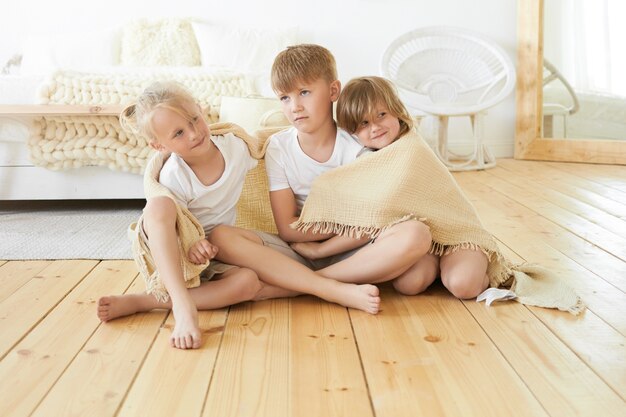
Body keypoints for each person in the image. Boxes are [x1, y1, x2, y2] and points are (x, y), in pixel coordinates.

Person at [210, 45, 432, 298]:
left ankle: (302, 285)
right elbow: (287, 229)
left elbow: (376, 218)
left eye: (304, 92)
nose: (295, 106)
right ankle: (324, 284)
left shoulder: (359, 144)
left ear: (333, 91)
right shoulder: (278, 148)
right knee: (220, 237)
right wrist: (335, 232)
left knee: (416, 235)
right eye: (284, 97)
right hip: (298, 251)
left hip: (355, 250)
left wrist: (331, 242)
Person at [97, 82, 293, 350]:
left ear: (201, 110)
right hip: (173, 251)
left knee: (247, 282)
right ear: (159, 146)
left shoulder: (235, 147)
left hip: (215, 250)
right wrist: (191, 243)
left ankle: (149, 301)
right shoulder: (175, 174)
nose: (193, 134)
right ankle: (181, 304)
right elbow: (173, 225)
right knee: (159, 206)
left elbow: (268, 143)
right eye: (178, 133)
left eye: (193, 120)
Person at [294, 76, 490, 299]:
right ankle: (438, 266)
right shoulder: (368, 160)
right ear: (352, 132)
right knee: (409, 284)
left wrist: (321, 250)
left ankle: (481, 270)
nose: (375, 127)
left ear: (396, 111)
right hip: (425, 241)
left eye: (381, 115)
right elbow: (364, 217)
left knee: (463, 285)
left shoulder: (410, 150)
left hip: (457, 235)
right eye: (364, 123)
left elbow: (379, 218)